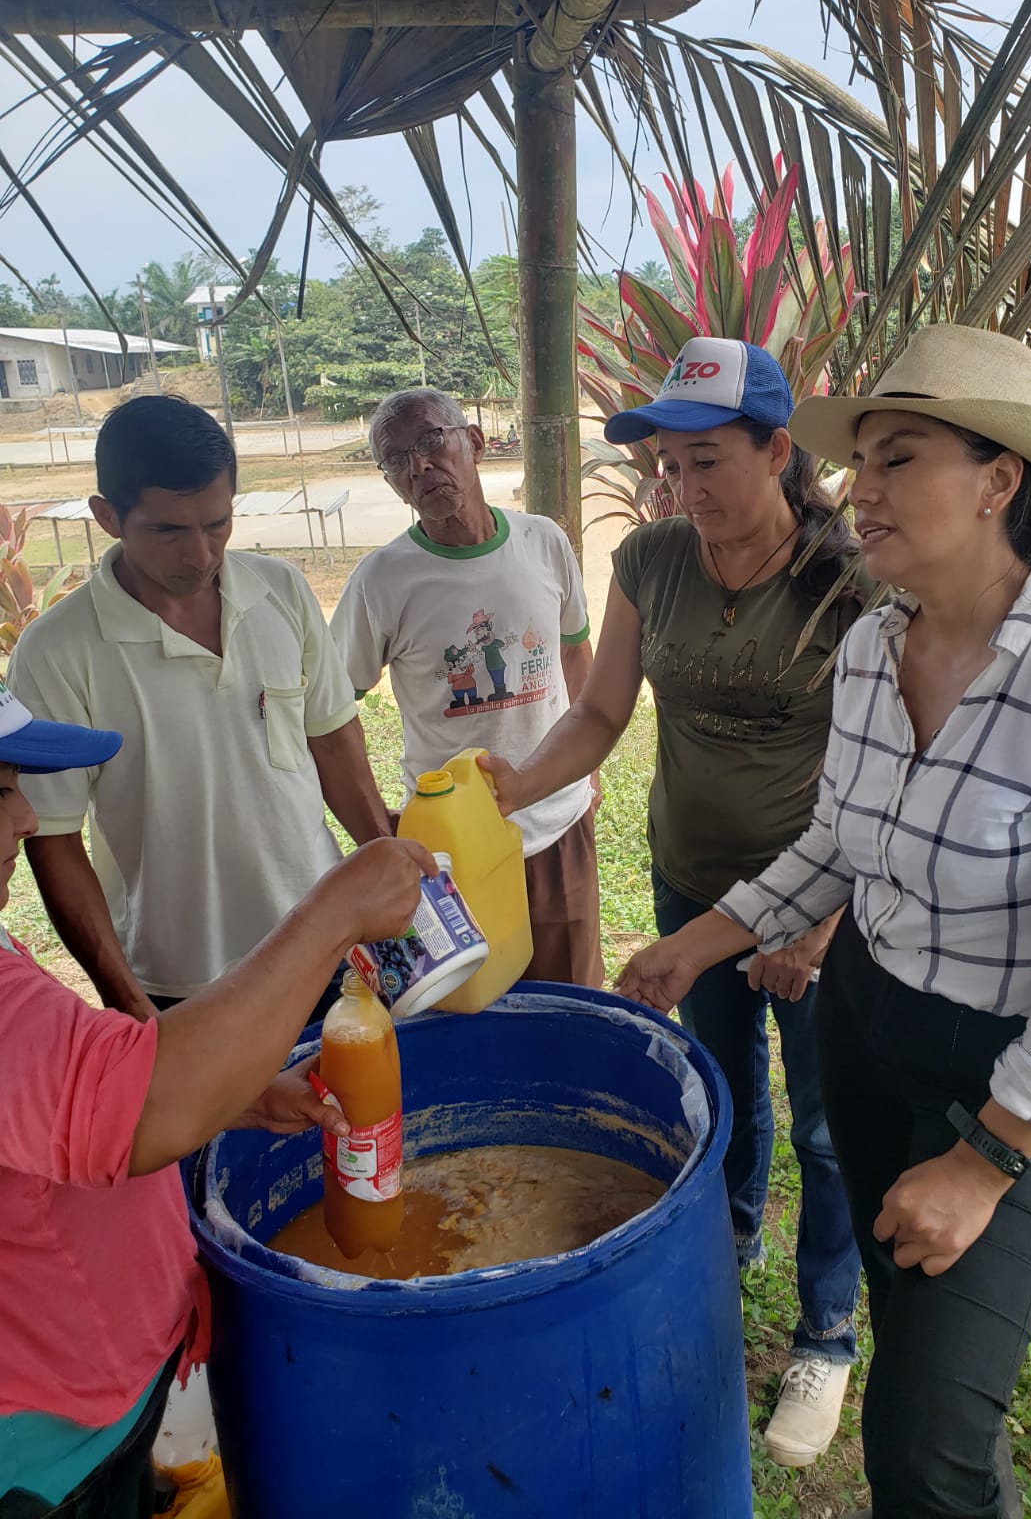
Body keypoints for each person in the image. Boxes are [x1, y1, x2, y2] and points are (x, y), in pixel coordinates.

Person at [613, 325, 1031, 1519]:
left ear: (998, 482)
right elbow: (838, 842)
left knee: (926, 1448)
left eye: (898, 459)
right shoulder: (876, 647)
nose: (859, 490)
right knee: (913, 1341)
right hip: (870, 1023)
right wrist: (697, 943)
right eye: (861, 459)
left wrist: (987, 1161)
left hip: (1016, 1082)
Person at [482, 337, 867, 1468]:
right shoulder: (651, 560)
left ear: (778, 452)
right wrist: (518, 786)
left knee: (827, 1123)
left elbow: (884, 771)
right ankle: (730, 1242)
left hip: (815, 898)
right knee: (721, 1079)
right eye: (668, 465)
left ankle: (827, 1336)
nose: (683, 489)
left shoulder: (849, 582)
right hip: (690, 875)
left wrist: (821, 921)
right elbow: (600, 714)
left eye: (708, 462)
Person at [0, 672, 436, 1517]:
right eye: (1, 792)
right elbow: (147, 1106)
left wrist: (240, 1100)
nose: (25, 818)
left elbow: (55, 1106)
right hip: (50, 1461)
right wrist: (336, 909)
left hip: (92, 1406)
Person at [8, 396, 394, 1019]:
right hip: (179, 978)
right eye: (168, 531)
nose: (201, 555)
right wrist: (130, 1004)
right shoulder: (56, 650)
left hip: (325, 939)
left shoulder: (281, 591)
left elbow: (332, 738)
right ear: (107, 516)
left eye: (217, 524)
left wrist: (387, 858)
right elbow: (54, 840)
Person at [331, 387, 602, 989]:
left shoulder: (544, 542)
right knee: (472, 1003)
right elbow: (329, 713)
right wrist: (376, 824)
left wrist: (588, 771)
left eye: (432, 441)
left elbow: (574, 652)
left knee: (571, 996)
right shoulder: (381, 580)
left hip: (556, 821)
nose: (419, 465)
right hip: (452, 848)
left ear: (474, 442)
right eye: (396, 459)